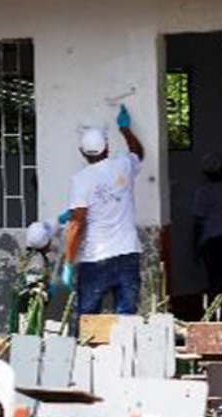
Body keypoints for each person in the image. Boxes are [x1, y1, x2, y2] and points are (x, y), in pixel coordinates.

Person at [62, 105, 145, 323]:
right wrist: (125, 129)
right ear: (106, 148)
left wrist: (69, 264)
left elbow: (76, 225)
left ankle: (84, 357)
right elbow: (138, 153)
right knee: (127, 320)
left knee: (87, 319)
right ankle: (124, 357)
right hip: (128, 253)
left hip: (96, 259)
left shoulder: (80, 180)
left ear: (82, 152)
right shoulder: (123, 165)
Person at [192, 153, 222, 316]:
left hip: (211, 241)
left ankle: (211, 315)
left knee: (214, 281)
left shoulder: (203, 192)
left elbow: (198, 222)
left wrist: (195, 247)